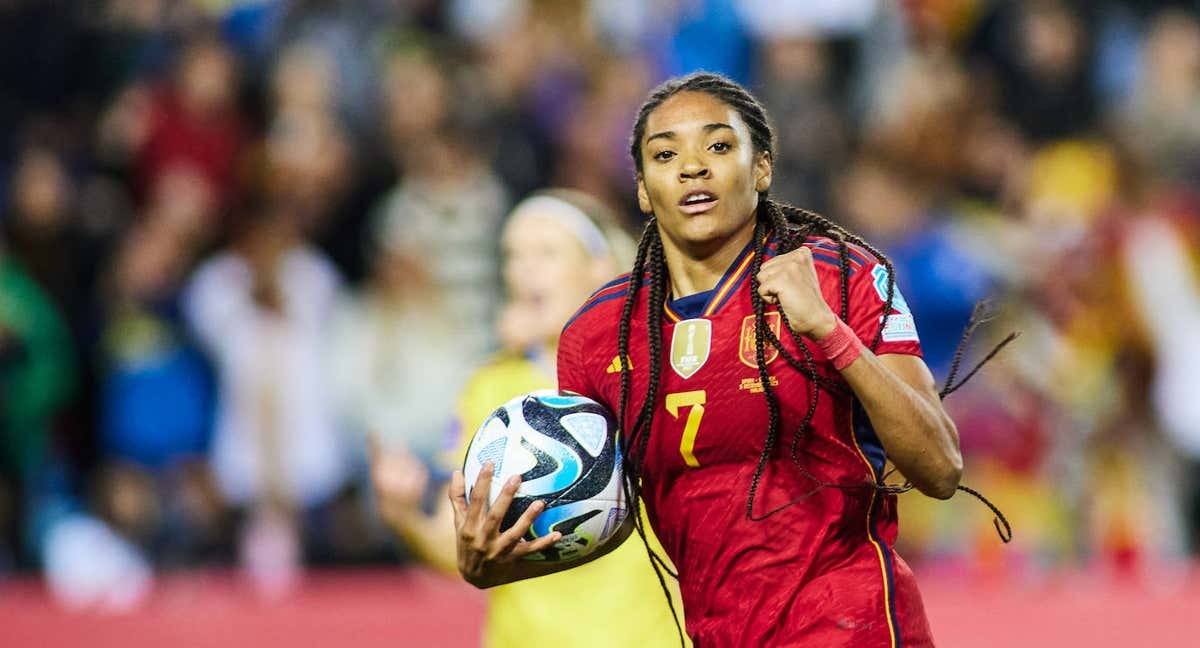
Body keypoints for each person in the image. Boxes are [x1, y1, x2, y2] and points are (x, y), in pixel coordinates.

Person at [451, 73, 972, 647]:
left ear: (762, 168)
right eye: (665, 153)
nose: (692, 166)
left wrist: (828, 330)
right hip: (715, 634)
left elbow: (941, 468)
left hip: (851, 626)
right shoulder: (598, 335)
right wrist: (493, 566)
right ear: (645, 190)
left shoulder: (841, 278)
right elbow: (610, 513)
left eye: (718, 146)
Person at [372, 189, 686, 647]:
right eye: (512, 255)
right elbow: (459, 547)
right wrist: (404, 518)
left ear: (600, 267)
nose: (523, 269)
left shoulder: (658, 370)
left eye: (546, 252)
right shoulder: (493, 387)